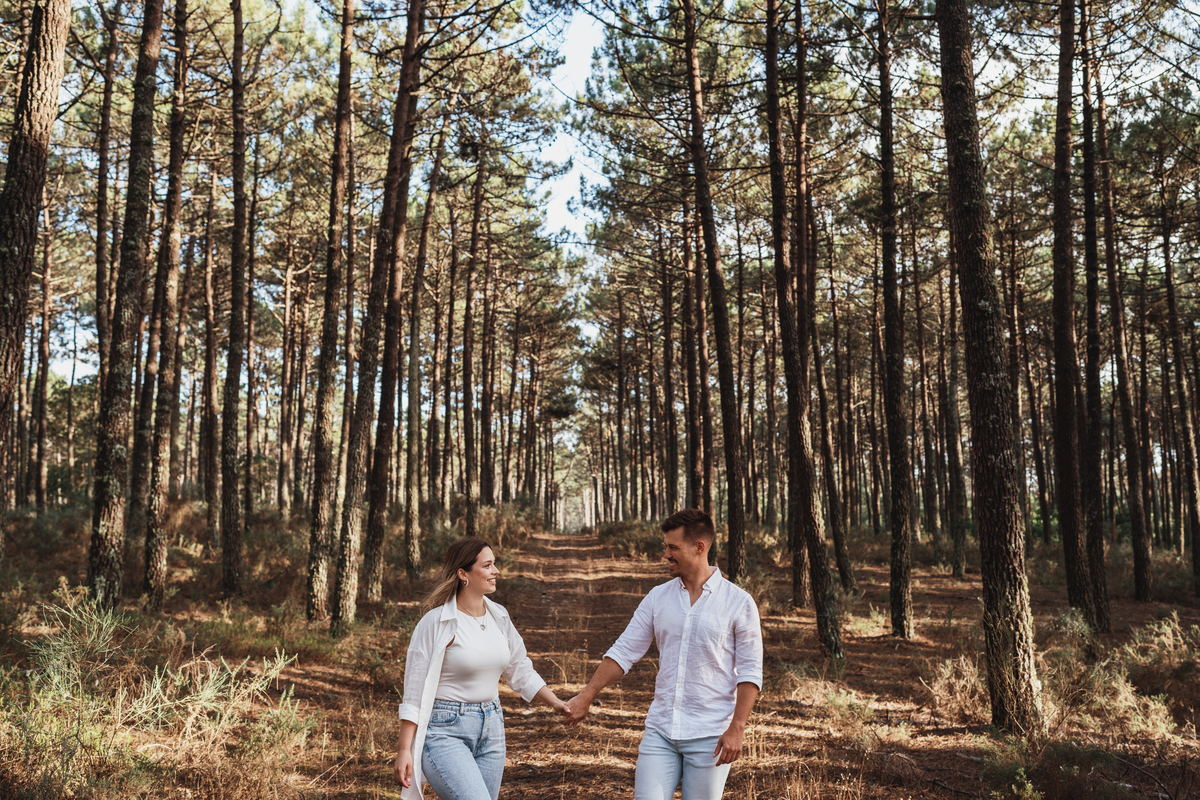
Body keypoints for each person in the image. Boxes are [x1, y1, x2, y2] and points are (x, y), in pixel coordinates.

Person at [563, 508, 763, 800]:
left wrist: (737, 728)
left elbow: (750, 671)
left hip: (710, 736)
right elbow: (624, 650)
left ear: (699, 547)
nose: (665, 555)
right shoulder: (658, 597)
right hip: (661, 731)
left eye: (672, 548)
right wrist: (587, 695)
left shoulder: (739, 603)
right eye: (665, 547)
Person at [393, 538, 567, 800]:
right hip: (445, 731)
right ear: (463, 574)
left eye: (494, 564)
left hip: (492, 729)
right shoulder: (436, 622)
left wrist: (555, 703)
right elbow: (414, 690)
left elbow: (520, 669)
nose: (496, 571)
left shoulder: (500, 616)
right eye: (487, 565)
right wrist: (404, 749)